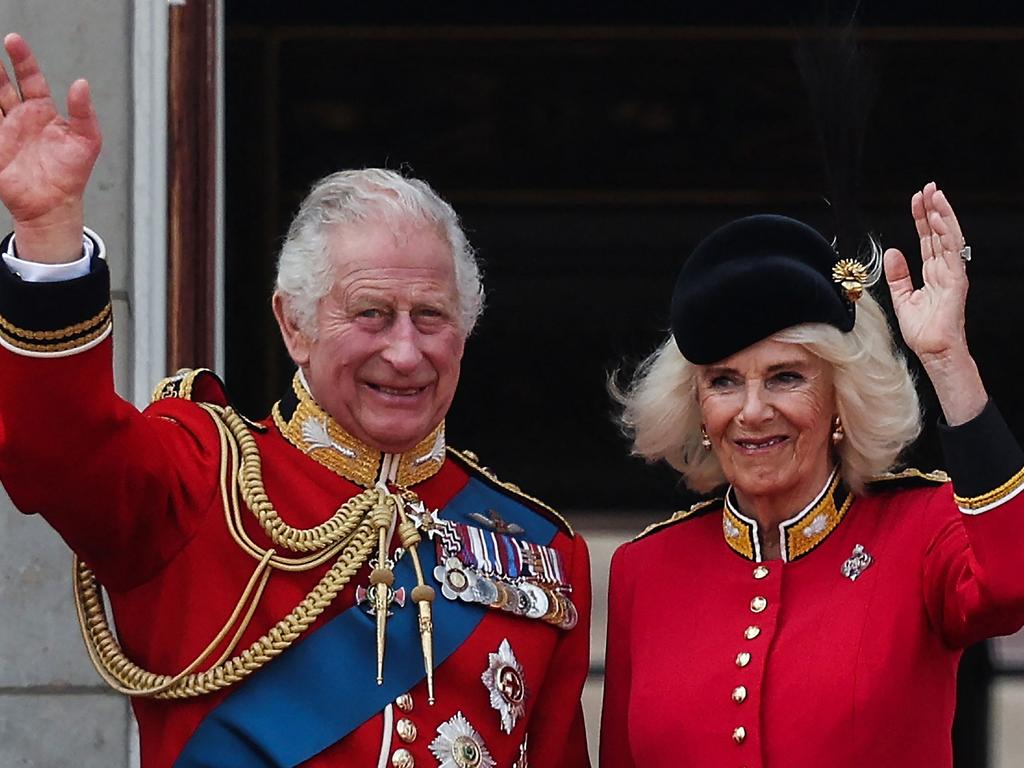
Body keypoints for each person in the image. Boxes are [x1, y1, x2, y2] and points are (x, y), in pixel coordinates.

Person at [0, 34, 591, 768]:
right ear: (294, 325)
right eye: (371, 314)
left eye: (431, 316)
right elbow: (55, 452)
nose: (405, 352)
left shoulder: (538, 551)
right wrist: (49, 236)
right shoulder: (198, 479)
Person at [600, 187, 1024, 767]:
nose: (752, 411)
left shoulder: (921, 530)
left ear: (840, 400)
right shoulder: (644, 571)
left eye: (785, 377)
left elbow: (1012, 585)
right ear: (696, 409)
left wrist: (948, 360)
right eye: (724, 381)